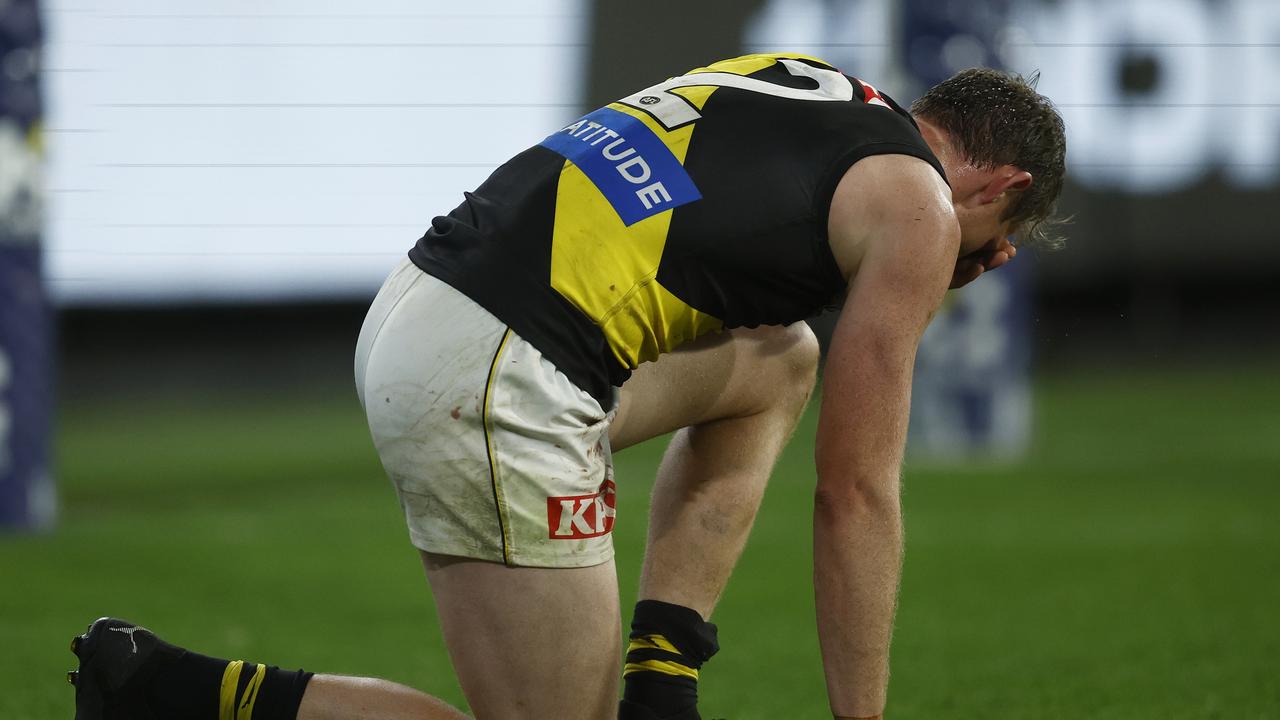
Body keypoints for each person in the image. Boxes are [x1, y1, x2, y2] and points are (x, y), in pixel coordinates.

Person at [68, 53, 1065, 720]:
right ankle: (177, 693)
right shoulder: (922, 209)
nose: (970, 260)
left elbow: (691, 257)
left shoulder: (808, 87)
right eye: (994, 245)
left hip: (419, 310)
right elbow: (854, 495)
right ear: (1000, 190)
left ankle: (662, 671)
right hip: (499, 372)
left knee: (780, 361)